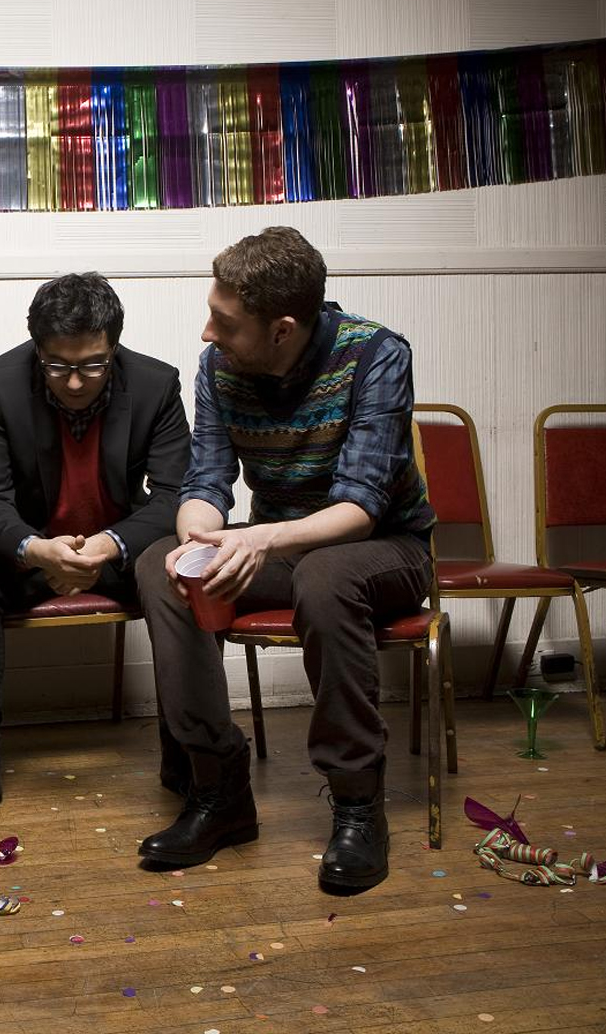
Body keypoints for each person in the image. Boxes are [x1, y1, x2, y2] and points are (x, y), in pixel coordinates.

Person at [136, 227, 434, 895]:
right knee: (160, 566)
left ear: (282, 330)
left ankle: (358, 805)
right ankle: (219, 789)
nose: (208, 332)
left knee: (325, 576)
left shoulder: (376, 354)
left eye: (225, 322)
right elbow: (206, 481)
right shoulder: (218, 368)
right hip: (280, 544)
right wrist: (197, 541)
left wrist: (259, 541)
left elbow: (361, 506)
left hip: (386, 549)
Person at [0, 272, 189, 838]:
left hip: (116, 552)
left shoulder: (156, 384)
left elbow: (175, 496)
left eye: (93, 365)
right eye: (57, 365)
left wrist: (107, 546)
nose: (74, 382)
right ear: (36, 349)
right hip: (28, 551)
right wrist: (37, 550)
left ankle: (186, 753)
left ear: (114, 347)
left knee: (180, 566)